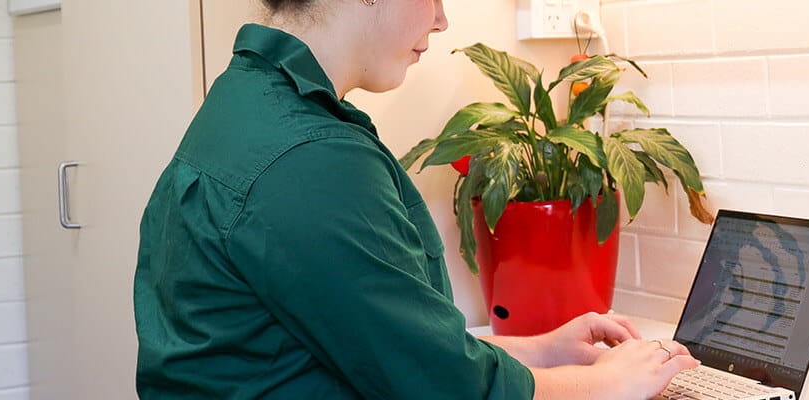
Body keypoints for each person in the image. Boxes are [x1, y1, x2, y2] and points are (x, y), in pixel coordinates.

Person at [132, 0, 699, 398]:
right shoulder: (307, 157)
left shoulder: (248, 106)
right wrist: (605, 386)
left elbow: (387, 349)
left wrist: (545, 352)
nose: (443, 17)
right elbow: (439, 386)